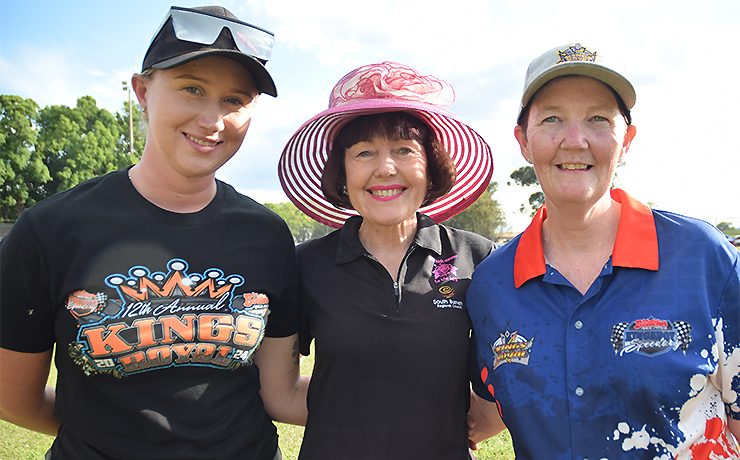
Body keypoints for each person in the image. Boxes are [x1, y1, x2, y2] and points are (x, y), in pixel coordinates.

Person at [0, 6, 308, 460]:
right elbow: (14, 398)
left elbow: (278, 392)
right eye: (192, 89)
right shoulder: (50, 229)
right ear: (142, 92)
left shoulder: (267, 234)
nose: (212, 119)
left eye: (235, 100)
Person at [466, 42, 740, 459]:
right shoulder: (492, 284)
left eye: (597, 119)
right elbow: (485, 414)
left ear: (626, 139)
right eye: (552, 119)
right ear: (523, 140)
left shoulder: (703, 259)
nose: (574, 141)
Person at [278, 61, 505, 460]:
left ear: (431, 167)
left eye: (404, 150)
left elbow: (499, 386)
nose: (385, 168)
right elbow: (279, 393)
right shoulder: (304, 266)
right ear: (342, 173)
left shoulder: (479, 258)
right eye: (364, 152)